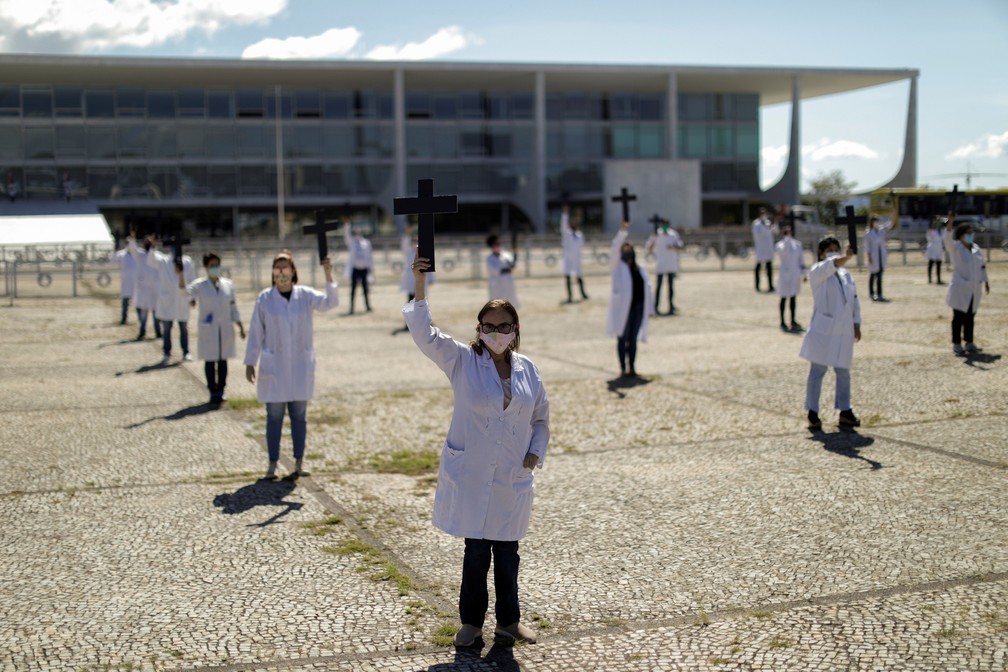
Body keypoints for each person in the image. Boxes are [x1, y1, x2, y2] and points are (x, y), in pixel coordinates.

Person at [403, 253, 549, 648]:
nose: (497, 333)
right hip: (472, 471)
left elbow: (540, 418)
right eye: (489, 326)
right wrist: (419, 284)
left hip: (510, 476)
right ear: (479, 329)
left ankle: (509, 621)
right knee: (476, 553)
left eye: (504, 327)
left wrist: (535, 453)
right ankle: (470, 623)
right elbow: (425, 335)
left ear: (515, 330)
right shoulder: (463, 361)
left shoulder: (529, 370)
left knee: (507, 554)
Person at [244, 251, 338, 479]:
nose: (282, 273)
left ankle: (298, 462)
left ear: (293, 271)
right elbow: (256, 332)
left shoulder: (304, 295)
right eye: (277, 268)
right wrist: (250, 361)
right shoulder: (265, 298)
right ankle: (273, 463)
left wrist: (328, 273)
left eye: (286, 268)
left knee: (299, 417)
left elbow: (330, 302)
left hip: (299, 367)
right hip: (274, 367)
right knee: (274, 417)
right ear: (272, 273)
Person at [800, 236, 862, 430]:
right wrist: (846, 256)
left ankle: (845, 411)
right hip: (823, 331)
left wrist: (856, 323)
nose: (834, 252)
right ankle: (812, 412)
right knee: (818, 371)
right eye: (830, 249)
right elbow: (831, 264)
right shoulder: (817, 272)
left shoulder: (846, 275)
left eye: (837, 248)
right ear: (821, 253)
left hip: (843, 330)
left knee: (843, 371)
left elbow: (854, 299)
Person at [187, 252, 245, 406]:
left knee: (223, 361)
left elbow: (233, 306)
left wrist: (240, 326)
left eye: (217, 265)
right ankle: (213, 391)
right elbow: (187, 292)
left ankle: (221, 390)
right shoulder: (200, 285)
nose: (215, 268)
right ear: (206, 267)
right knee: (210, 362)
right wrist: (191, 300)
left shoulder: (228, 285)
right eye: (212, 265)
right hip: (209, 329)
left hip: (224, 327)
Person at [607, 222, 654, 377]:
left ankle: (631, 367)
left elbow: (647, 289)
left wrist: (650, 308)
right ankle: (622, 367)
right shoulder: (617, 267)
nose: (628, 255)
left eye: (630, 251)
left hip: (638, 308)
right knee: (622, 337)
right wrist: (622, 232)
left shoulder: (639, 269)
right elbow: (614, 248)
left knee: (633, 339)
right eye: (625, 252)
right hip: (623, 309)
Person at [146, 235, 196, 364]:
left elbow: (192, 279)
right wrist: (153, 246)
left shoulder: (187, 261)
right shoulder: (164, 261)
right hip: (168, 300)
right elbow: (151, 260)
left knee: (183, 327)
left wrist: (193, 297)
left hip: (182, 299)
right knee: (167, 328)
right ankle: (167, 353)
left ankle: (186, 352)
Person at [946, 223, 990, 356]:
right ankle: (957, 343)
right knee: (958, 318)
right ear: (961, 236)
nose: (971, 235)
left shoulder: (977, 248)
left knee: (970, 316)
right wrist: (950, 222)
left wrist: (986, 282)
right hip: (960, 288)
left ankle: (969, 342)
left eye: (972, 233)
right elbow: (947, 239)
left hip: (975, 289)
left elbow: (982, 266)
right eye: (968, 233)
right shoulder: (956, 248)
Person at [126, 233, 162, 341]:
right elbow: (132, 249)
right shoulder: (140, 255)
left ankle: (158, 332)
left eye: (150, 241)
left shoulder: (158, 255)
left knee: (156, 313)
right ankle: (142, 332)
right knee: (143, 314)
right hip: (143, 289)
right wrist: (132, 239)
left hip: (155, 288)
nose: (148, 242)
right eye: (146, 241)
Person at [645, 220, 683, 315]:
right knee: (659, 286)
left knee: (670, 287)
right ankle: (656, 306)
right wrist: (654, 237)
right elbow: (649, 248)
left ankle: (671, 306)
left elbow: (680, 246)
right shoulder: (657, 234)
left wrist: (673, 247)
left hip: (671, 264)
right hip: (661, 264)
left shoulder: (673, 234)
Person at [774, 224, 807, 331]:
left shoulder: (797, 245)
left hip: (795, 274)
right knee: (783, 298)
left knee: (793, 298)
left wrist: (804, 273)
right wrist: (787, 239)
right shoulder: (780, 245)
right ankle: (782, 321)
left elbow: (801, 260)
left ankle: (793, 320)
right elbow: (784, 251)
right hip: (784, 274)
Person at [343, 219, 373, 314]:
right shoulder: (352, 242)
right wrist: (347, 226)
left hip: (364, 269)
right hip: (355, 269)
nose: (357, 233)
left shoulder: (366, 243)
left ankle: (367, 306)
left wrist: (370, 268)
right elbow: (346, 237)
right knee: (353, 290)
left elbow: (369, 256)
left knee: (365, 289)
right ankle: (352, 308)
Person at [560, 205, 589, 303]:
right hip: (568, 259)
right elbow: (563, 225)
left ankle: (583, 293)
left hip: (576, 259)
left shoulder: (579, 235)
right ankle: (570, 296)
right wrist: (565, 214)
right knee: (568, 278)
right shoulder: (566, 234)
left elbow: (581, 245)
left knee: (579, 277)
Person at [485, 234, 519, 307]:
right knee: (497, 303)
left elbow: (512, 264)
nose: (498, 245)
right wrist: (506, 270)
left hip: (508, 281)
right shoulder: (490, 259)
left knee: (509, 301)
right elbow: (494, 270)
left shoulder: (506, 255)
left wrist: (515, 253)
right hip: (497, 283)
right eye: (496, 244)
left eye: (499, 244)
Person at [864, 215, 893, 301]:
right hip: (873, 256)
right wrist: (869, 257)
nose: (877, 223)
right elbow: (867, 246)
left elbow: (890, 225)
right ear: (871, 222)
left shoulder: (881, 231)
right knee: (873, 275)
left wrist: (894, 215)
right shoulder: (868, 233)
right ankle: (872, 293)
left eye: (878, 221)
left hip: (881, 256)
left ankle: (879, 294)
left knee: (880, 276)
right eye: (875, 221)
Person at [751, 207, 778, 292]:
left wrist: (774, 224)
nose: (763, 215)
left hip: (768, 248)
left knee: (769, 268)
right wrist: (768, 228)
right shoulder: (756, 224)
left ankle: (770, 285)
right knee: (758, 267)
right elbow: (758, 235)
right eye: (762, 213)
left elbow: (776, 231)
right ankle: (757, 286)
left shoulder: (768, 223)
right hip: (760, 248)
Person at [114, 239, 139, 326]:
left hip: (135, 282)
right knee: (125, 302)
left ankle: (140, 318)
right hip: (126, 282)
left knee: (137, 303)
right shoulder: (122, 254)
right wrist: (115, 250)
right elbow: (114, 259)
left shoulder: (137, 254)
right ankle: (124, 318)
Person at [926, 216, 946, 285]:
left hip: (939, 248)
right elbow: (928, 238)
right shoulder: (931, 230)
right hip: (932, 248)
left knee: (939, 264)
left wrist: (942, 220)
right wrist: (932, 227)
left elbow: (947, 220)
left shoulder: (942, 230)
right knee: (931, 263)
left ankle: (938, 279)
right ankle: (930, 279)